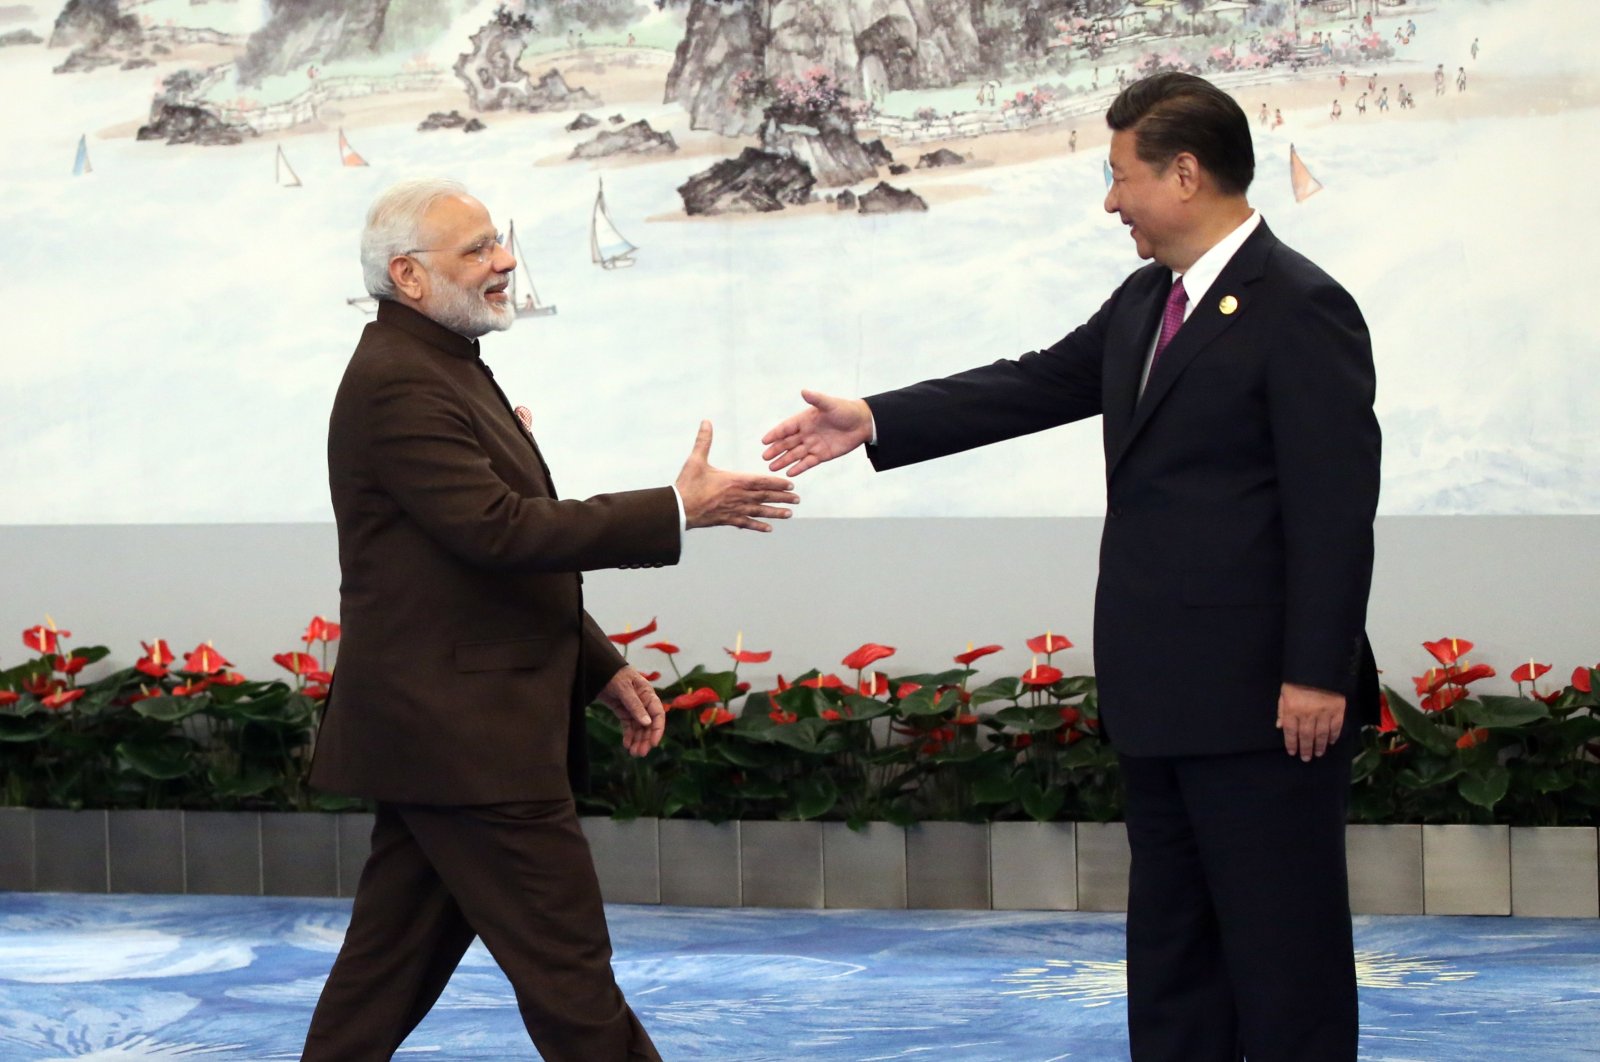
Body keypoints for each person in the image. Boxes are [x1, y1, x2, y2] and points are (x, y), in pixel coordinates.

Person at [761, 72, 1380, 1062]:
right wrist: (875, 418)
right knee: (1170, 949)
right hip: (1163, 693)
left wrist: (1315, 671)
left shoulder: (1300, 307)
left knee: (1280, 953)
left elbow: (1333, 511)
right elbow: (1032, 383)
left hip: (1266, 702)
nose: (1108, 201)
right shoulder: (1147, 300)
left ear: (1184, 174)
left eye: (1119, 175)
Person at [302, 178, 798, 1061]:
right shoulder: (400, 383)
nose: (505, 262)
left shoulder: (436, 366)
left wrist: (596, 666)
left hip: (447, 737)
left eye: (499, 242)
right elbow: (500, 533)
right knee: (572, 983)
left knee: (380, 983)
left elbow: (474, 564)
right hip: (467, 743)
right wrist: (675, 508)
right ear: (408, 277)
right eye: (479, 250)